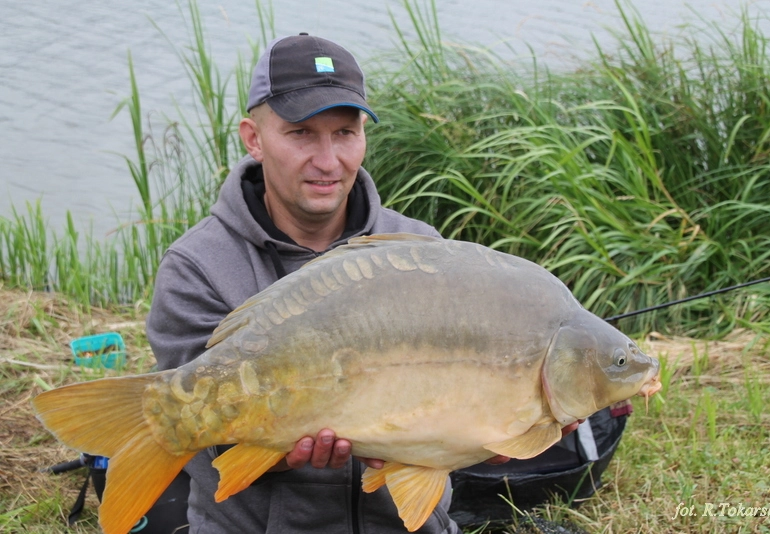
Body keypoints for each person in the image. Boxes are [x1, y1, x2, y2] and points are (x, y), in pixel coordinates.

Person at [146, 33, 578, 533]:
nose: (329, 161)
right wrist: (283, 450)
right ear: (253, 137)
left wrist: (494, 435)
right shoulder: (199, 265)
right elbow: (209, 440)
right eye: (301, 134)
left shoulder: (422, 252)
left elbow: (446, 428)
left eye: (346, 133)